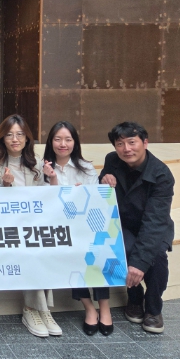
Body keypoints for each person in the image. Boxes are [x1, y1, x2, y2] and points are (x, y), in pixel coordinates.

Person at [0, 114, 62, 338]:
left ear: (27, 138)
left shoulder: (37, 162)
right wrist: (6, 186)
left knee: (42, 247)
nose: (15, 139)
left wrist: (52, 178)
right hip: (5, 225)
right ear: (2, 138)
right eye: (9, 135)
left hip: (32, 223)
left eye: (19, 134)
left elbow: (47, 199)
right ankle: (36, 310)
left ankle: (38, 310)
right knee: (32, 250)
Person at [100, 121, 174, 334]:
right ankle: (134, 297)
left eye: (132, 142)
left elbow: (155, 221)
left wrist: (139, 264)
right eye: (120, 144)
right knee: (123, 248)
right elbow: (103, 191)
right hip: (124, 225)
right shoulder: (112, 160)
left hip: (153, 225)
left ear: (145, 142)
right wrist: (103, 179)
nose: (126, 149)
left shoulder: (161, 174)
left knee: (155, 258)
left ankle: (153, 308)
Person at [42, 121, 112, 336]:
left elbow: (95, 201)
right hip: (59, 227)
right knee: (71, 252)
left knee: (98, 249)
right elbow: (47, 203)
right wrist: (53, 179)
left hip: (86, 225)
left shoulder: (86, 167)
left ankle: (105, 306)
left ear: (75, 142)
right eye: (57, 139)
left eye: (68, 139)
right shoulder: (41, 168)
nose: (63, 144)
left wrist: (81, 195)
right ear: (50, 142)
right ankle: (88, 306)